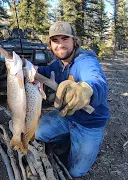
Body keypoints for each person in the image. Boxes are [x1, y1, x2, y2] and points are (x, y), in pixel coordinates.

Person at [34, 21, 110, 177]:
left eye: (65, 39)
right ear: (50, 44)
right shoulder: (58, 64)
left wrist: (86, 90)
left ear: (74, 41)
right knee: (39, 133)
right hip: (66, 116)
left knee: (76, 171)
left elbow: (97, 81)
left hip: (89, 124)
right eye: (55, 40)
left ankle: (89, 143)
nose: (60, 45)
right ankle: (69, 141)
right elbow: (44, 71)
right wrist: (27, 67)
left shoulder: (85, 61)